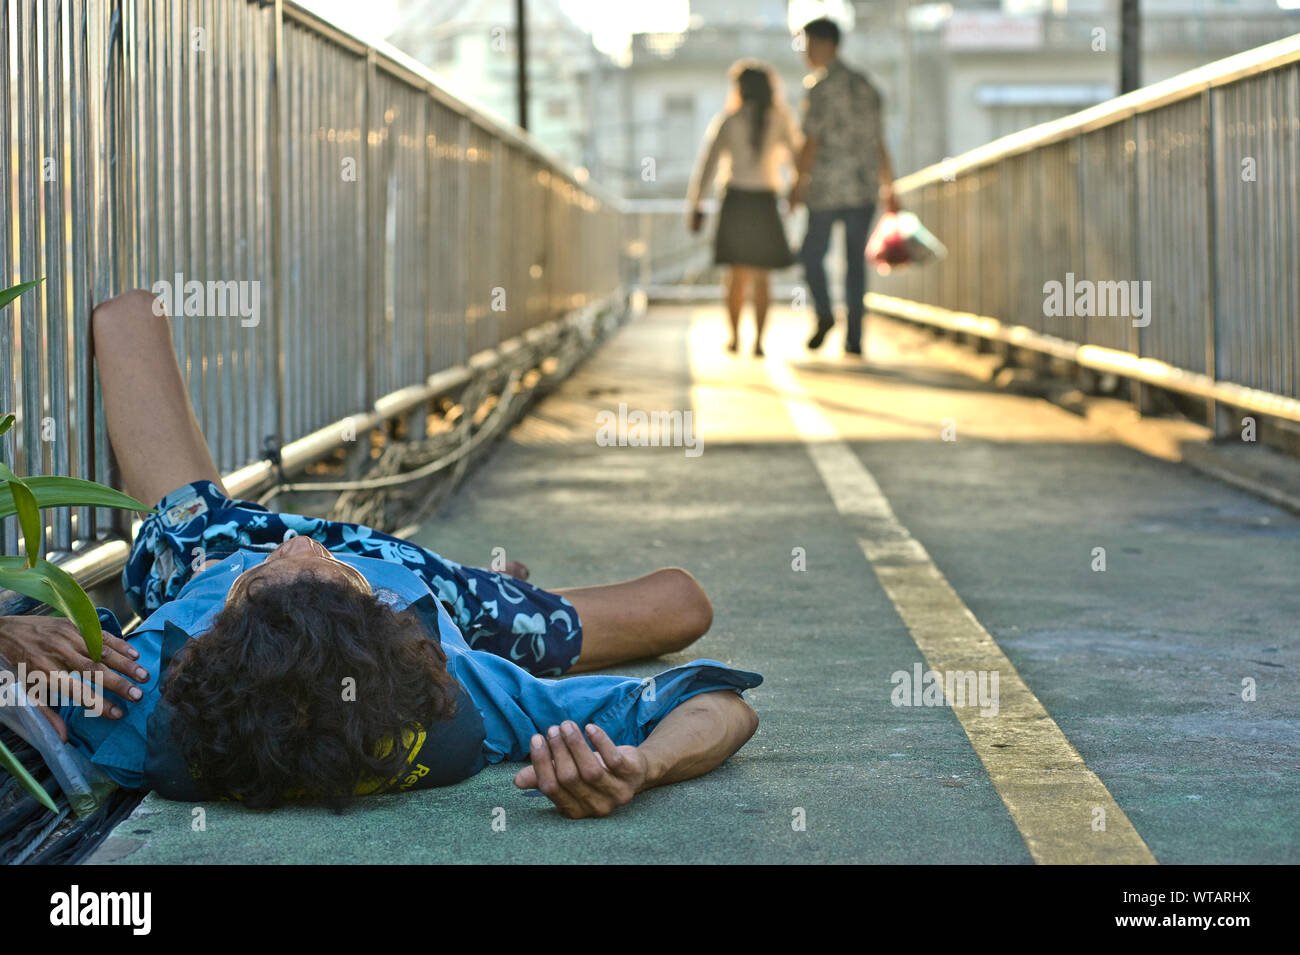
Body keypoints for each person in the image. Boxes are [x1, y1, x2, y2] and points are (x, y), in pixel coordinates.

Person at [0, 290, 760, 819]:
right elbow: (721, 706)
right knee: (679, 606)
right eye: (322, 562)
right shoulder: (464, 689)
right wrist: (644, 766)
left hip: (210, 545)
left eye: (268, 575)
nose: (301, 538)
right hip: (431, 589)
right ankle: (487, 589)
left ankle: (490, 584)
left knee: (128, 317)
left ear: (203, 636)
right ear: (391, 617)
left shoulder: (136, 695)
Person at [789, 17, 898, 358]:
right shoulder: (867, 86)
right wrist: (889, 186)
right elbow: (879, 141)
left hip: (824, 191)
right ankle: (854, 338)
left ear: (825, 44)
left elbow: (811, 142)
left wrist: (797, 183)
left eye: (807, 44)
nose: (804, 52)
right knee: (855, 265)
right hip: (863, 190)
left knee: (811, 255)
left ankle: (824, 313)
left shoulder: (818, 88)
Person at [688, 59, 800, 358]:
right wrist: (795, 193)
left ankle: (735, 337)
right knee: (763, 277)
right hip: (764, 202)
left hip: (736, 201)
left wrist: (695, 204)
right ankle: (759, 342)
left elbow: (707, 166)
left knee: (736, 275)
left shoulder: (729, 119)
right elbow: (796, 161)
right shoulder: (780, 119)